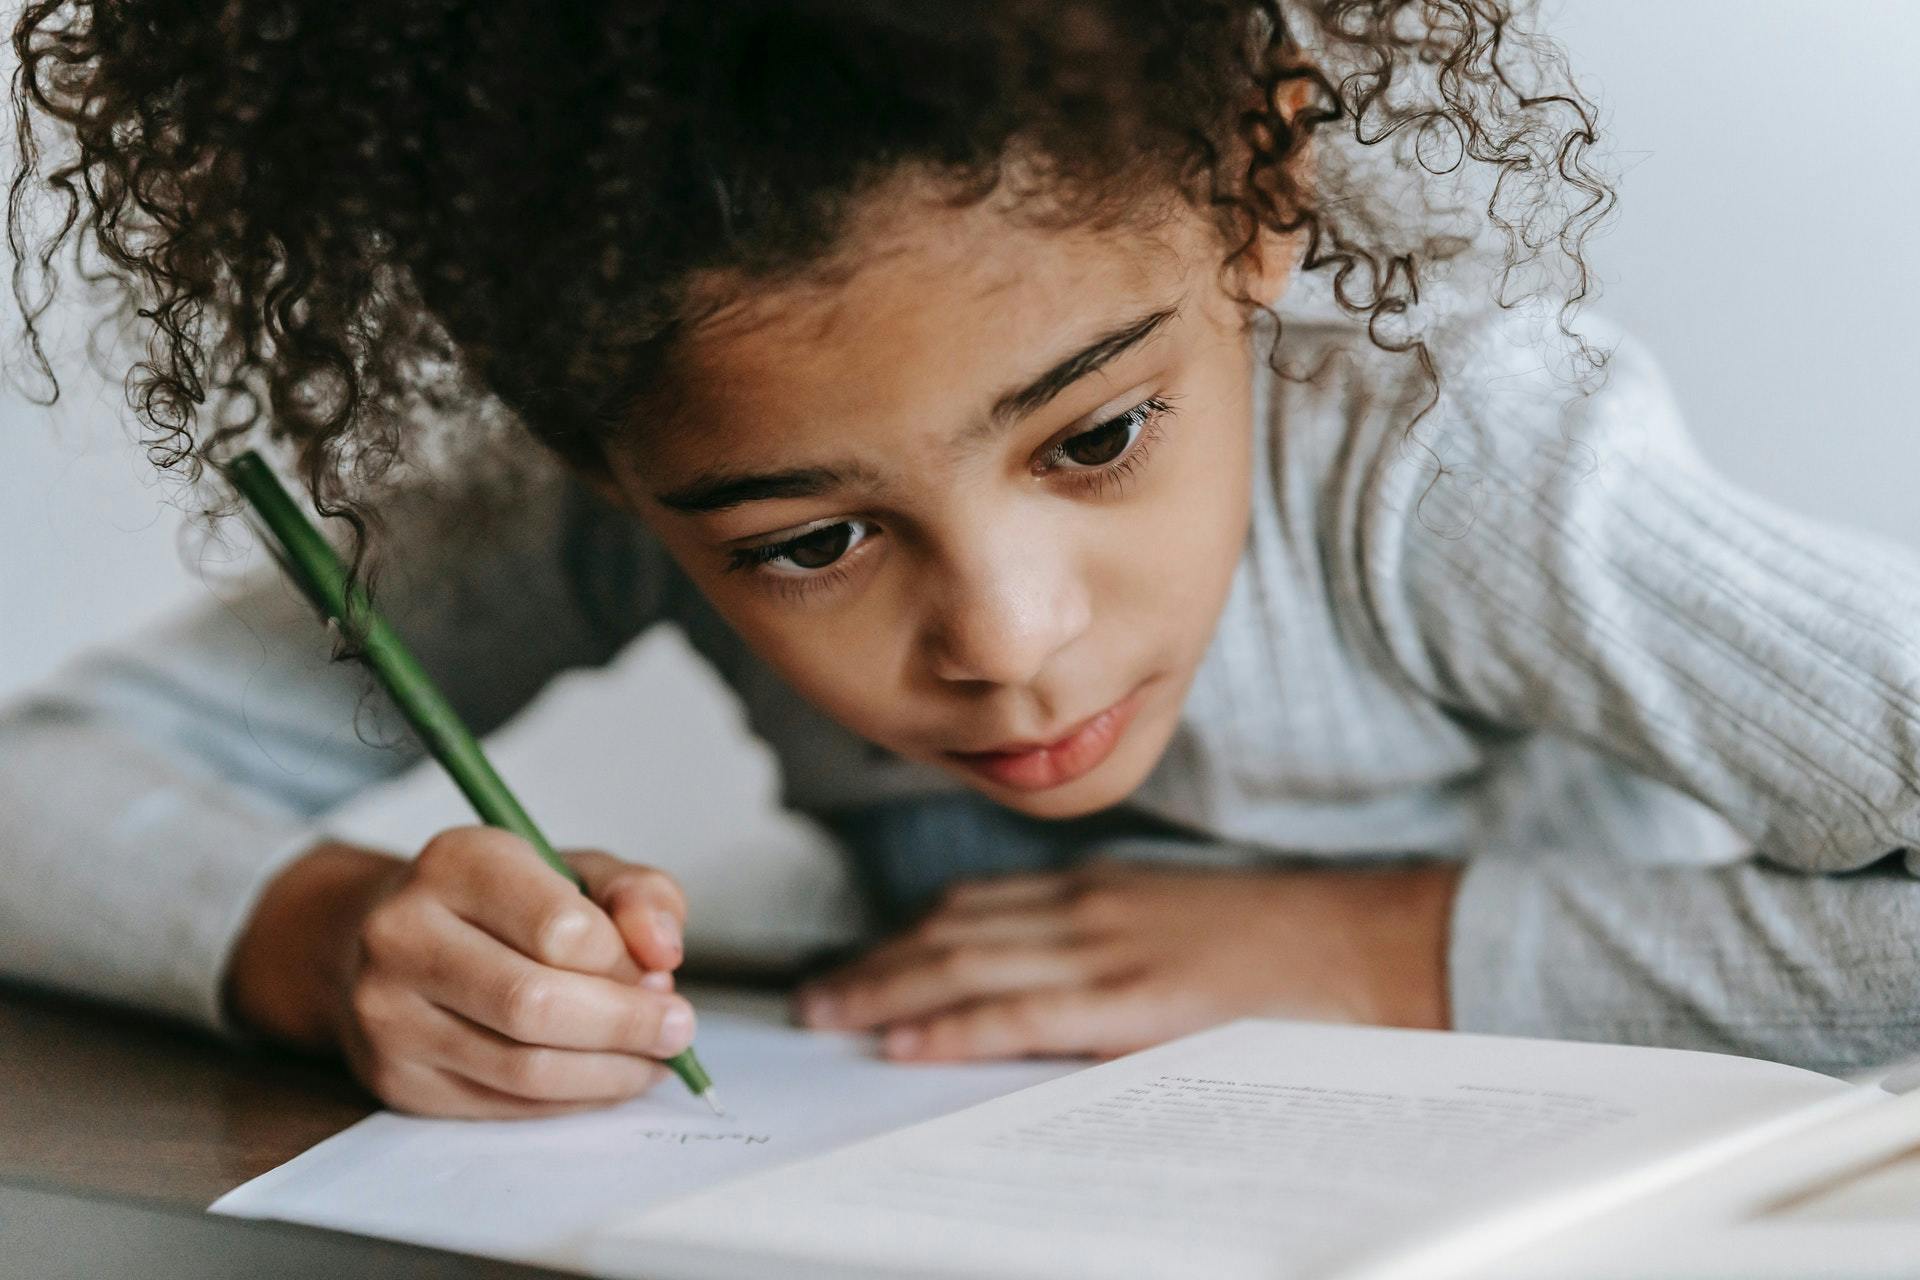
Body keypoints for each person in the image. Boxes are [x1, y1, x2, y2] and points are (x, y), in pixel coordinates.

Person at [9, 1, 1920, 1121]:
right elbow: (36, 788)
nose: (1006, 640)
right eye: (813, 541)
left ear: (1262, 192)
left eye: (1095, 436)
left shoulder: (1448, 472)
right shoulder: (619, 497)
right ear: (586, 436)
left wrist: (1385, 947)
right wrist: (325, 941)